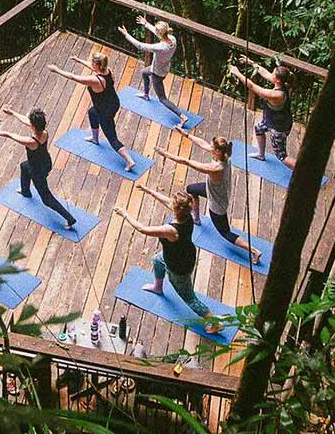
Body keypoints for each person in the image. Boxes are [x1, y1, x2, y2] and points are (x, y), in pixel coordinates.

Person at [114, 188, 222, 334]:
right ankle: (158, 287)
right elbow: (167, 201)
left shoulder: (170, 230)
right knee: (157, 260)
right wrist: (149, 191)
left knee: (189, 298)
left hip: (178, 266)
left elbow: (142, 229)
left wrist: (125, 214)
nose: (170, 203)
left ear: (176, 209)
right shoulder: (187, 215)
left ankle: (216, 323)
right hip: (181, 253)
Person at [155, 132, 262, 265]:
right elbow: (203, 144)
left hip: (217, 203)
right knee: (191, 189)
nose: (209, 148)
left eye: (212, 147)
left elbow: (187, 162)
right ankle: (196, 218)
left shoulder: (215, 168)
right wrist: (186, 135)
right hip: (214, 190)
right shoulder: (225, 155)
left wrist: (166, 154)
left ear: (217, 151)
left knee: (226, 233)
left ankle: (254, 251)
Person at [0, 107, 77, 229]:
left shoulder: (31, 141)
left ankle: (70, 219)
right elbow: (26, 121)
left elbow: (10, 135)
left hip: (37, 170)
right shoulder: (44, 131)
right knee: (24, 166)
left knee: (46, 198)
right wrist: (12, 112)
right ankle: (25, 191)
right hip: (45, 162)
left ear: (33, 126)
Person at [47, 52, 138, 173]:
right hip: (114, 103)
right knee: (92, 112)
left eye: (92, 63)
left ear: (97, 65)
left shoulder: (95, 80)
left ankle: (129, 161)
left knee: (112, 138)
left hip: (105, 110)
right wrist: (78, 60)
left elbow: (73, 77)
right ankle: (95, 139)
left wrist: (56, 70)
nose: (91, 64)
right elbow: (91, 66)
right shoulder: (108, 71)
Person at [118, 16, 194, 128]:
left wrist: (126, 35)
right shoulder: (172, 39)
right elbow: (159, 34)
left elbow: (140, 45)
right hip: (163, 67)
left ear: (161, 33)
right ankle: (146, 95)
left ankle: (182, 116)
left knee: (162, 99)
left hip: (157, 73)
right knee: (144, 72)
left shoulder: (161, 47)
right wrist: (146, 24)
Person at [230, 56, 295, 169]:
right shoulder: (284, 84)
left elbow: (252, 86)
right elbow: (265, 73)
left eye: (273, 73)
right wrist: (251, 62)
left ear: (277, 80)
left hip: (279, 127)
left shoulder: (276, 95)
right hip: (273, 120)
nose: (271, 74)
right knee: (259, 128)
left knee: (281, 156)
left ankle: (305, 172)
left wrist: (237, 73)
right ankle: (261, 154)